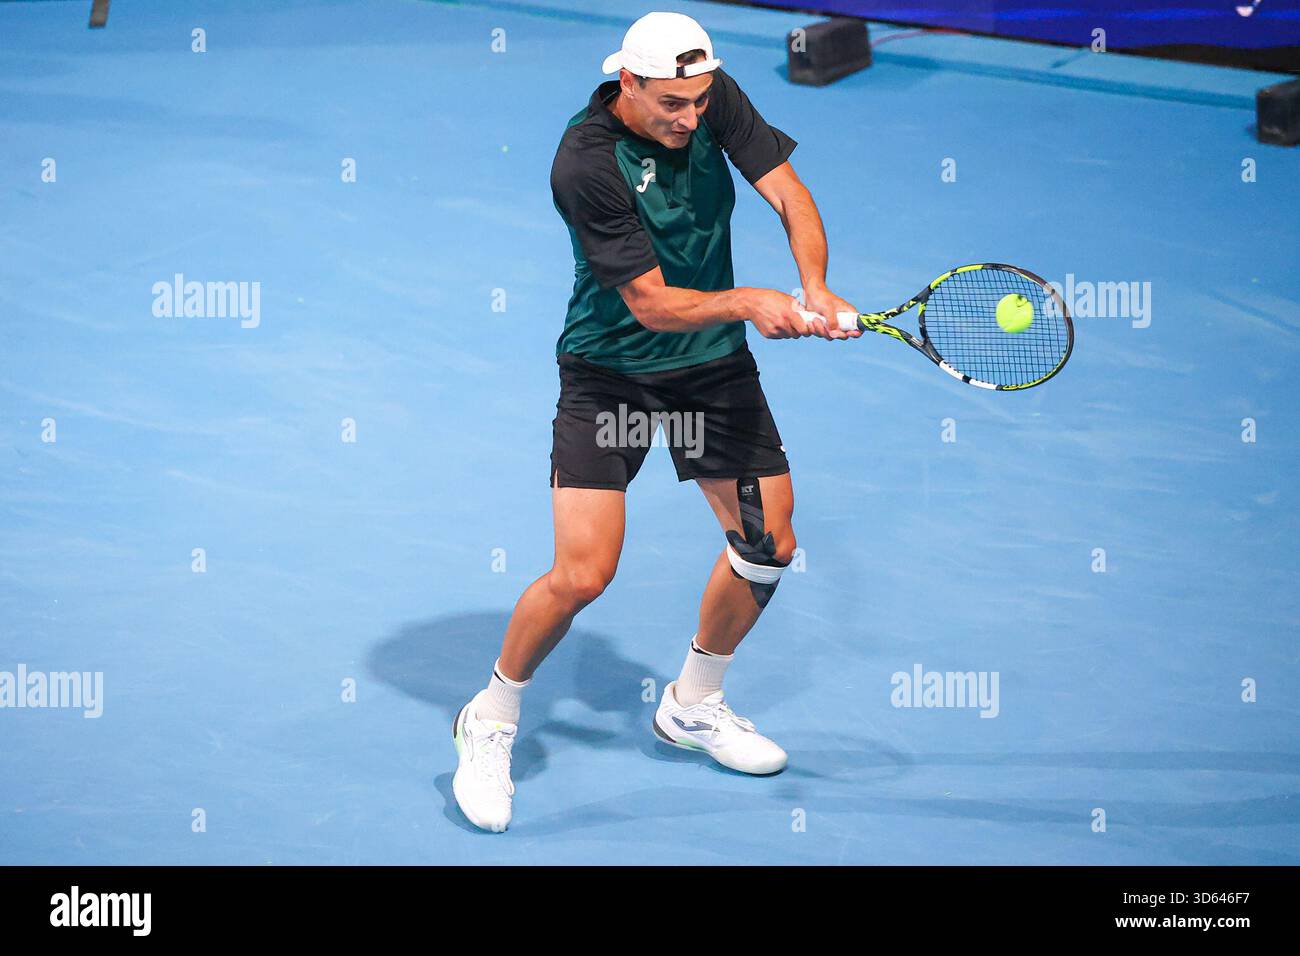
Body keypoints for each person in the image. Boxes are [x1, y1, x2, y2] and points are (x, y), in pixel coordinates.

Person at [452, 11, 860, 832]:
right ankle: (490, 716)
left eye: (700, 101)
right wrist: (751, 302)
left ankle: (693, 705)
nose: (691, 118)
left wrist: (812, 286)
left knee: (767, 545)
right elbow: (652, 304)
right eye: (672, 103)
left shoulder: (712, 97)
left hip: (711, 374)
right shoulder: (585, 163)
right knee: (583, 575)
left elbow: (789, 194)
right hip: (613, 379)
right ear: (627, 83)